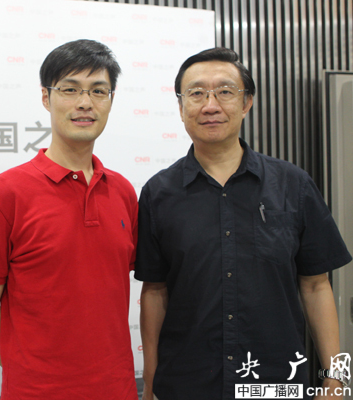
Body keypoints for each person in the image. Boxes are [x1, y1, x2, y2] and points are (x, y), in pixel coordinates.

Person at [136, 47, 352, 400]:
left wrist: (337, 377)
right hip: (187, 385)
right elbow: (155, 291)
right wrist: (150, 385)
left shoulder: (293, 184)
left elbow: (317, 286)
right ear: (181, 106)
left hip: (276, 384)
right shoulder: (158, 193)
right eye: (196, 93)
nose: (210, 105)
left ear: (247, 102)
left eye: (225, 91)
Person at [0, 39, 139, 400]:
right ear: (46, 97)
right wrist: (30, 374)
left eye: (98, 91)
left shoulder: (122, 191)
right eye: (70, 89)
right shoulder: (6, 192)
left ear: (111, 99)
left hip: (117, 388)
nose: (85, 103)